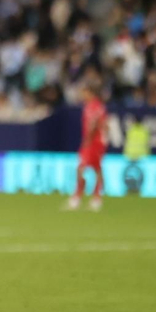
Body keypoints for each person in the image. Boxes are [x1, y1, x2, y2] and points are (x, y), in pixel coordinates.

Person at [66, 72, 109, 212]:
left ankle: (82, 197)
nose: (82, 94)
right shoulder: (95, 106)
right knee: (94, 169)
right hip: (96, 142)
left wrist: (87, 140)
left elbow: (94, 124)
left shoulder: (94, 106)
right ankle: (93, 197)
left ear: (89, 92)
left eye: (83, 92)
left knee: (84, 168)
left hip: (94, 143)